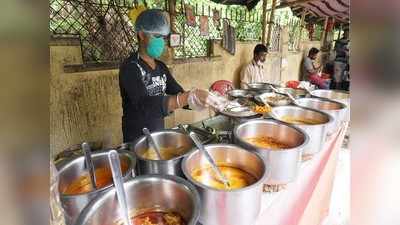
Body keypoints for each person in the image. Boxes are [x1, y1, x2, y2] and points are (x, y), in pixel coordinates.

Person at [119, 9, 211, 142]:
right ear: (141, 35)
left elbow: (178, 93)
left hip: (157, 133)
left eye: (163, 37)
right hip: (136, 138)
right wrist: (183, 99)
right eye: (157, 36)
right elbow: (144, 104)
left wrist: (200, 101)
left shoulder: (161, 67)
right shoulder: (130, 67)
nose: (161, 42)